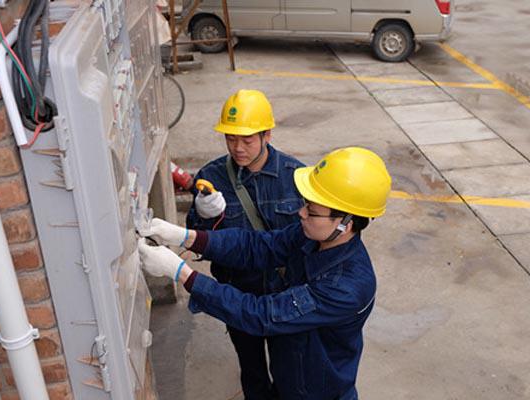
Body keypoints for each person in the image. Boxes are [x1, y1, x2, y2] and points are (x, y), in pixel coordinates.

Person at [139, 147, 392, 400]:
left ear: (345, 224)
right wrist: (187, 237)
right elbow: (257, 246)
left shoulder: (346, 286)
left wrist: (181, 273)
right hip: (291, 373)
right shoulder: (313, 237)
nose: (301, 213)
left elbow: (262, 314)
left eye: (312, 210)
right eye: (305, 204)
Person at [186, 89, 305, 399]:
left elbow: (312, 238)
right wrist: (202, 215)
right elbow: (194, 239)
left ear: (267, 134)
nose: (237, 148)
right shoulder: (211, 177)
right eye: (230, 138)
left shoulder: (296, 177)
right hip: (238, 294)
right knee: (252, 370)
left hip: (285, 296)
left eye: (247, 139)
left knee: (289, 370)